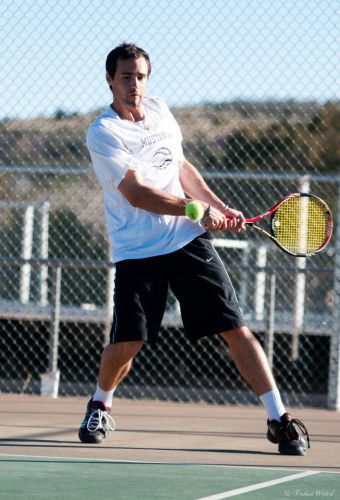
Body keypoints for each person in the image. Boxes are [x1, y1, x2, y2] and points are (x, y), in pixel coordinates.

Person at [78, 42, 310, 455]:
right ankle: (100, 404)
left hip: (187, 240)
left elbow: (180, 167)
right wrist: (194, 208)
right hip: (138, 249)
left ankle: (280, 419)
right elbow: (134, 193)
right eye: (127, 77)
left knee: (235, 329)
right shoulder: (104, 132)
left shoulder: (162, 112)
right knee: (128, 341)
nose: (135, 85)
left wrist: (218, 207)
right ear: (110, 79)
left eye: (142, 76)